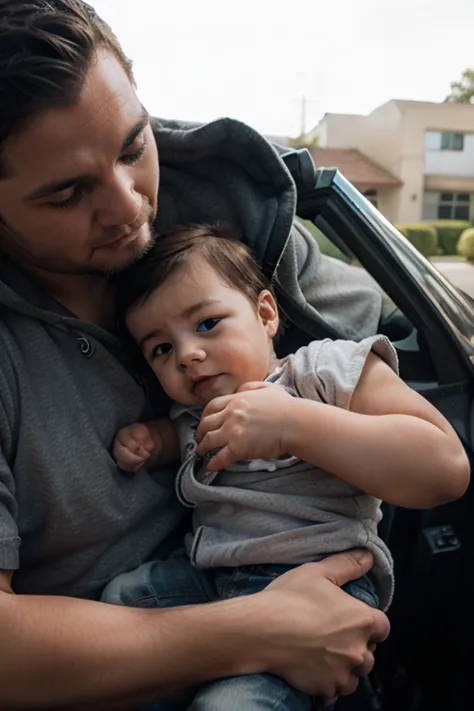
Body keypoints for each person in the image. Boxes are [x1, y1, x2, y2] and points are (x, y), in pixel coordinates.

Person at [0, 0, 450, 708]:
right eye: (67, 192)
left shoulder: (226, 217)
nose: (128, 208)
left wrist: (305, 421)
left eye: (132, 146)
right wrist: (255, 629)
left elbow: (395, 350)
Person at [105, 225, 469, 710]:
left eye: (207, 324)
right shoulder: (194, 414)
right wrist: (154, 439)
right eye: (161, 349)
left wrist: (294, 424)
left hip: (320, 585)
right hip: (211, 582)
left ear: (266, 313)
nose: (188, 355)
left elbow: (444, 465)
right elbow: (183, 438)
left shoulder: (320, 373)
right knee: (121, 600)